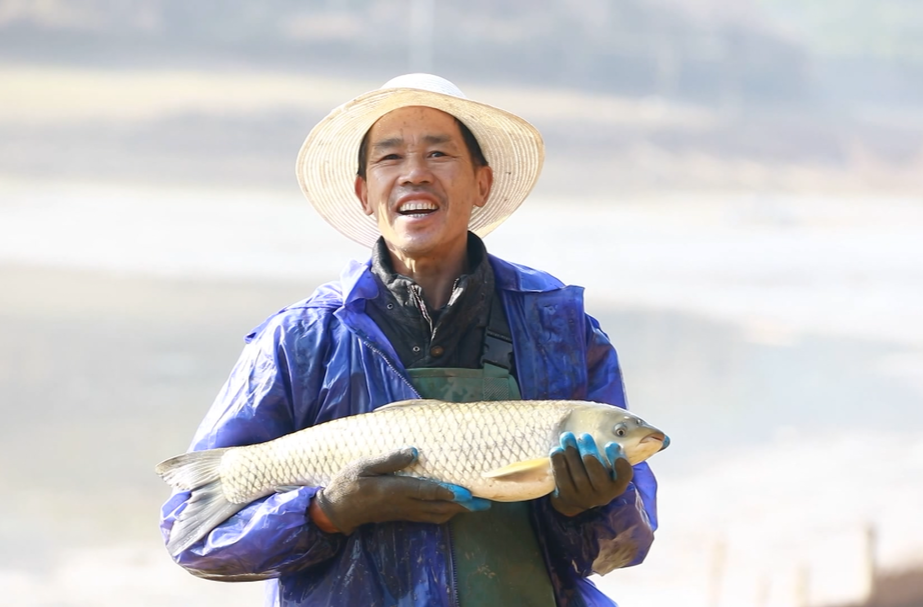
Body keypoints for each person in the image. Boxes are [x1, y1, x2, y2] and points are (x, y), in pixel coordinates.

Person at [160, 73, 659, 606]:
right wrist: (327, 511)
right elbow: (197, 541)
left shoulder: (560, 327)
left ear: (482, 183)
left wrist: (592, 506)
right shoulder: (300, 339)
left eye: (439, 154)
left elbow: (624, 548)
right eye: (390, 158)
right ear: (363, 191)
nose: (415, 174)